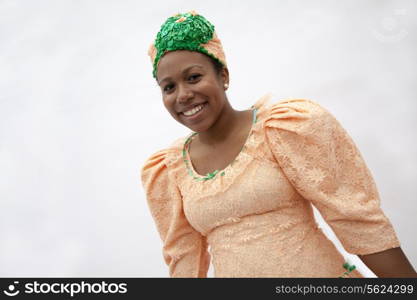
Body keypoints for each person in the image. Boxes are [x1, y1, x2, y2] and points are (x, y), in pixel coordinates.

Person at [140, 11, 417, 278]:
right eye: (169, 87)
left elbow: (358, 221)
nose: (183, 95)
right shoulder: (169, 170)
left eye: (193, 77)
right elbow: (184, 263)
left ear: (223, 76)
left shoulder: (286, 127)